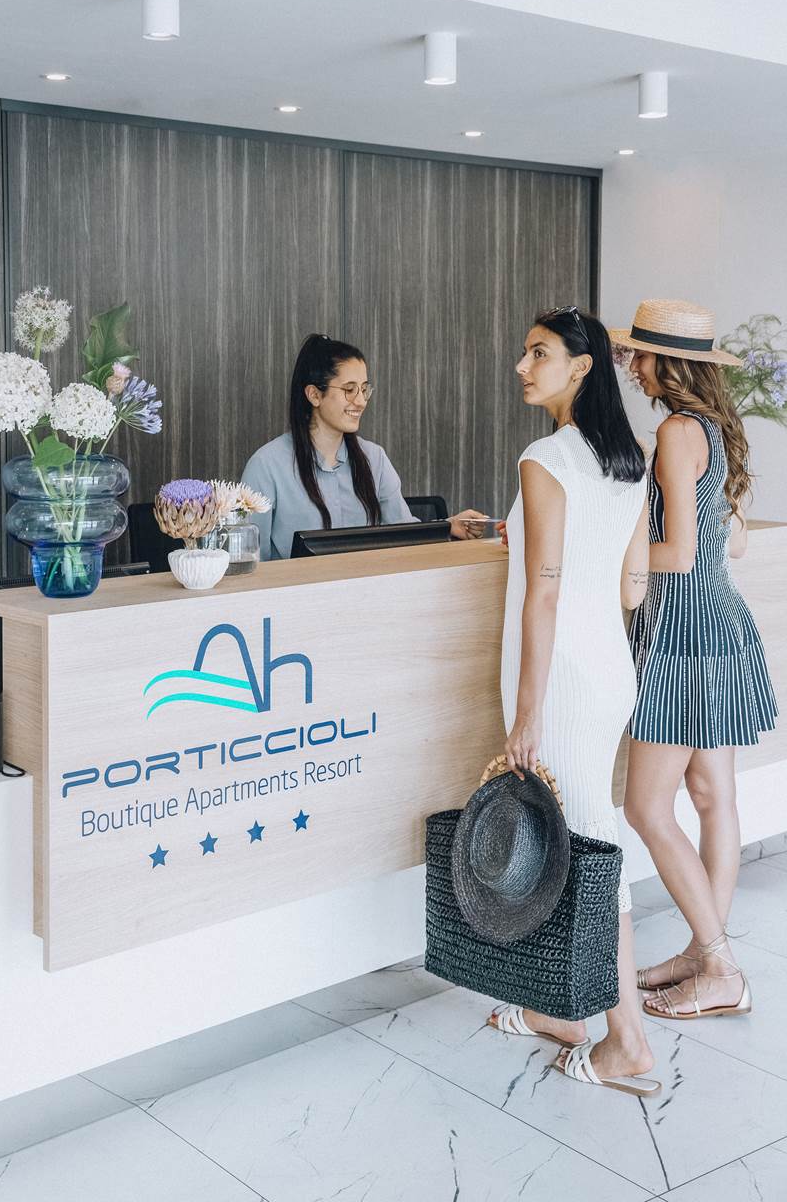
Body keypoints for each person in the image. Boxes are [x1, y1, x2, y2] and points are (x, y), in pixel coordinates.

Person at [483, 305, 659, 1097]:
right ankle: (557, 1009)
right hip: (607, 668)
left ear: (580, 367)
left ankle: (628, 1042)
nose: (523, 366)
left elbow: (544, 595)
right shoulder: (627, 462)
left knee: (586, 846)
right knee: (574, 839)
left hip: (560, 681)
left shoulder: (544, 457)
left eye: (538, 353)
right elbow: (630, 587)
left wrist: (527, 714)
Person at [616, 299, 777, 1022]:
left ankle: (718, 965)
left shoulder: (677, 432)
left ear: (669, 363)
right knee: (713, 797)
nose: (632, 366)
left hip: (685, 633)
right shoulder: (715, 427)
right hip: (720, 625)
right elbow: (728, 542)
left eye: (640, 354)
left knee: (647, 808)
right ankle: (700, 952)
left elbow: (677, 555)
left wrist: (599, 550)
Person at [241, 333, 484, 560]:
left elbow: (404, 533)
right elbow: (248, 561)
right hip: (297, 592)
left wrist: (447, 526)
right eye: (349, 390)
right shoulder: (266, 466)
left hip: (368, 589)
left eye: (364, 389)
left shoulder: (374, 458)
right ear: (314, 395)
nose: (360, 401)